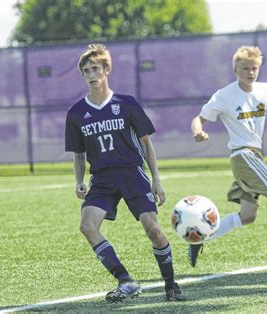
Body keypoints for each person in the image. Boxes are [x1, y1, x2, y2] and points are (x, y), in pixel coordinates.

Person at [65, 43, 186, 303]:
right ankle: (126, 280)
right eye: (86, 71)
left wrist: (156, 180)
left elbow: (146, 144)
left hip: (132, 173)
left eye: (95, 68)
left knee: (153, 230)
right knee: (87, 226)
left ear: (107, 70)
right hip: (102, 179)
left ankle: (170, 284)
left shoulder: (127, 104)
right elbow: (78, 154)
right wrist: (79, 181)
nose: (91, 74)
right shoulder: (76, 113)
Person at [188, 45, 267, 267]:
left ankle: (201, 237)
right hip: (243, 154)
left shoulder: (265, 89)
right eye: (245, 68)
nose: (250, 72)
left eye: (254, 68)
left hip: (253, 156)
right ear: (236, 69)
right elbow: (199, 118)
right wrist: (197, 131)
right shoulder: (225, 95)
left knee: (247, 216)